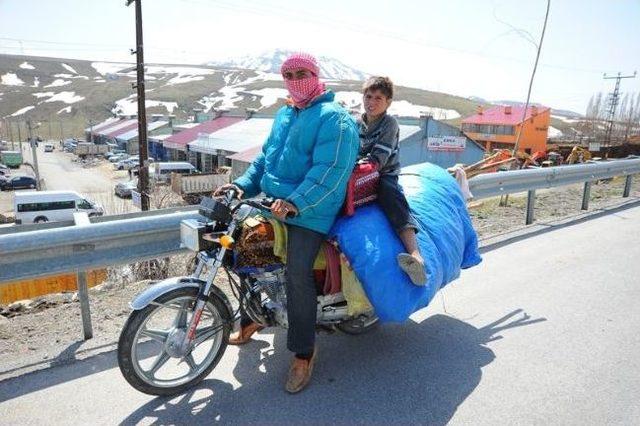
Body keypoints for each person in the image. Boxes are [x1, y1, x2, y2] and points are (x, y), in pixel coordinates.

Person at [214, 52, 359, 394]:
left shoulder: (334, 119)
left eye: (301, 73)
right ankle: (253, 317)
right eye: (289, 73)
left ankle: (304, 353)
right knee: (242, 250)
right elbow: (265, 160)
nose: (295, 79)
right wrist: (241, 185)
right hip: (274, 204)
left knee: (297, 273)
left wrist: (297, 203)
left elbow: (330, 172)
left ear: (315, 74)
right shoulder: (285, 113)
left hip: (312, 210)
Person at [357, 76, 427, 286]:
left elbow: (379, 157)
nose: (372, 102)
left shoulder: (390, 123)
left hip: (382, 173)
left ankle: (415, 254)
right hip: (356, 173)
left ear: (388, 102)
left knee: (390, 195)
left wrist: (363, 167)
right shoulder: (356, 123)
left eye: (379, 98)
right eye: (368, 96)